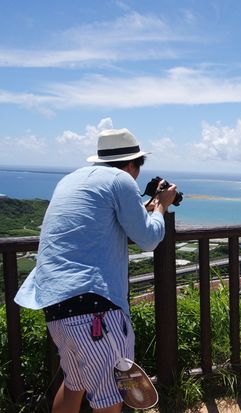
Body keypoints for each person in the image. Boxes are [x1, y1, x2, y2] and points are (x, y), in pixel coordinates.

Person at [15, 128, 177, 413]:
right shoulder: (121, 180)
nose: (136, 174)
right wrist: (160, 207)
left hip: (56, 306)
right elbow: (149, 238)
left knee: (75, 384)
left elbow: (97, 224)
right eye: (138, 166)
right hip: (94, 309)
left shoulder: (71, 179)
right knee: (110, 396)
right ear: (130, 164)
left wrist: (144, 207)